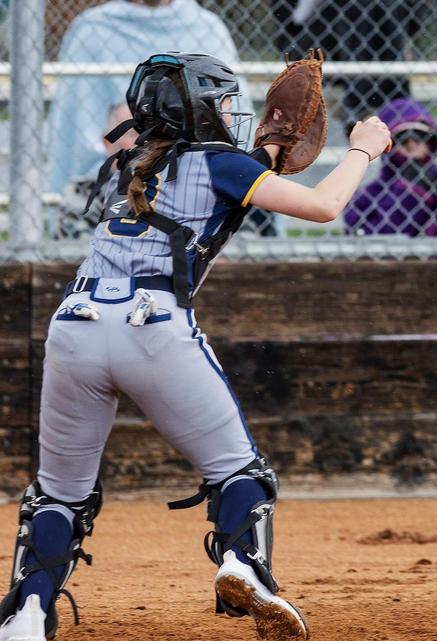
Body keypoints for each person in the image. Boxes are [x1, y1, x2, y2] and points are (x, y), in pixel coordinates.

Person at [0, 52, 391, 641]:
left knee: (58, 493)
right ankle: (244, 567)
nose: (234, 113)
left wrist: (268, 154)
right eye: (223, 102)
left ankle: (26, 615)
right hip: (151, 325)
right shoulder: (221, 165)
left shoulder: (130, 161)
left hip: (74, 324)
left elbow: (214, 181)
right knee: (240, 472)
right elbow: (323, 206)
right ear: (200, 110)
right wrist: (363, 148)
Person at [46, 0, 245, 196]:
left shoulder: (206, 27)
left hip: (197, 171)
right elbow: (78, 126)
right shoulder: (92, 29)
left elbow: (229, 109)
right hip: (117, 179)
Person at [343, 97, 437, 236]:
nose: (411, 144)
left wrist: (430, 235)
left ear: (432, 141)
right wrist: (410, 193)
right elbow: (367, 238)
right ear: (386, 144)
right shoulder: (371, 194)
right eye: (401, 138)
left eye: (420, 135)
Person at [271, 0, 420, 138]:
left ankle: (364, 104)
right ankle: (382, 105)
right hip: (311, 38)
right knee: (356, 6)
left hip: (367, 34)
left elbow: (413, 19)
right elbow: (294, 18)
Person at [55, 102, 139, 239]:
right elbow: (75, 248)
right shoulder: (84, 191)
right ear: (108, 143)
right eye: (132, 133)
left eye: (151, 133)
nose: (144, 141)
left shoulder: (173, 187)